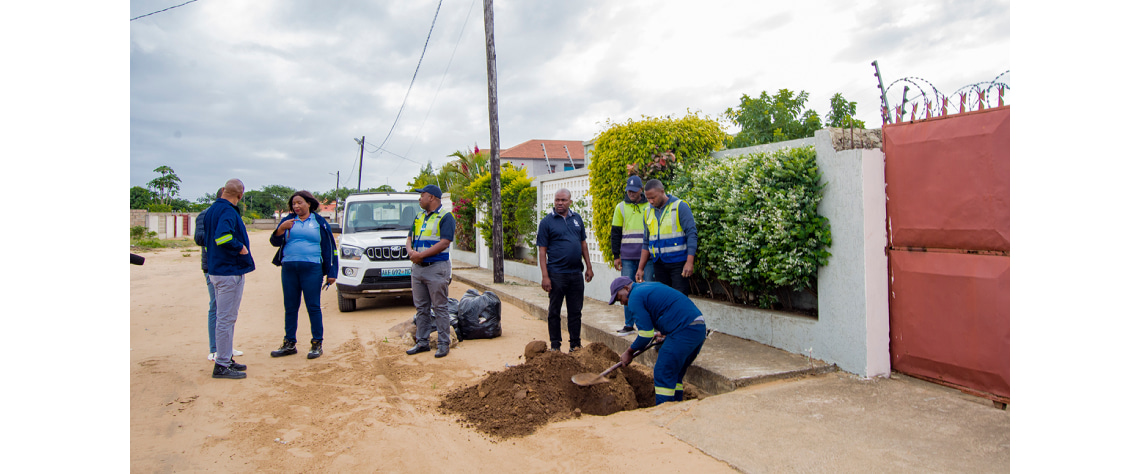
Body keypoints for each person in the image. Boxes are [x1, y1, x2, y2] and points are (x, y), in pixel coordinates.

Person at [608, 276, 706, 405]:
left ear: (626, 288)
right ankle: (677, 408)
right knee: (674, 374)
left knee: (662, 372)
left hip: (684, 330)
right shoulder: (648, 287)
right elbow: (669, 309)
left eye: (619, 298)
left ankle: (663, 412)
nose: (621, 303)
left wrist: (629, 352)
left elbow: (645, 335)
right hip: (697, 328)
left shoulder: (635, 297)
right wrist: (665, 332)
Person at [269, 190, 338, 360]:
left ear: (309, 203)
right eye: (293, 204)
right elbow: (274, 242)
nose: (296, 206)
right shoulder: (287, 221)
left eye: (299, 203)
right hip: (289, 268)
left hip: (312, 269)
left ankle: (316, 343)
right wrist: (280, 230)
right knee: (290, 306)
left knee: (313, 306)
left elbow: (329, 247)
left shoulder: (319, 222)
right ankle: (289, 343)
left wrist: (331, 271)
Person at [203, 179, 256, 379]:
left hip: (216, 270)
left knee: (224, 318)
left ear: (224, 190)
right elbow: (222, 236)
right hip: (228, 271)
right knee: (226, 319)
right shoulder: (227, 211)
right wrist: (240, 247)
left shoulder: (212, 210)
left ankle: (225, 357)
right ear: (240, 195)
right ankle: (222, 364)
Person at [537, 188, 594, 352]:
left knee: (575, 312)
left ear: (570, 201)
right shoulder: (546, 222)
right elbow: (542, 251)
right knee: (554, 311)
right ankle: (555, 346)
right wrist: (545, 276)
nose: (559, 203)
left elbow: (583, 244)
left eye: (563, 200)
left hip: (576, 274)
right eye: (557, 200)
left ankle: (575, 345)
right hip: (556, 275)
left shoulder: (577, 219)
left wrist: (589, 267)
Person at [404, 184, 457, 358]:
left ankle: (443, 343)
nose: (420, 198)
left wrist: (421, 256)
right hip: (418, 269)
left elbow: (444, 242)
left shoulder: (446, 217)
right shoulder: (419, 216)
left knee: (440, 307)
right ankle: (422, 342)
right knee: (421, 308)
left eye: (422, 195)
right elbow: (409, 237)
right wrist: (411, 252)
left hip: (436, 269)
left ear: (432, 197)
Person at [195, 188, 243, 362]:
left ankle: (226, 348)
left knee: (228, 311)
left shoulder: (230, 213)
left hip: (229, 267)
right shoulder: (206, 215)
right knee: (216, 307)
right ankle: (215, 349)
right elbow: (200, 238)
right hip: (213, 266)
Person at [636, 178, 698, 295]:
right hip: (659, 264)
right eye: (648, 198)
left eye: (653, 198)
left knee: (679, 300)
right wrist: (640, 268)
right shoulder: (647, 212)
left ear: (662, 191)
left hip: (678, 264)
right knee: (663, 300)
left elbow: (692, 234)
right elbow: (646, 241)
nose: (650, 201)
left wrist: (690, 262)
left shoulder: (680, 206)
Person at [610, 175, 653, 336]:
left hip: (647, 257)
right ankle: (629, 325)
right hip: (627, 257)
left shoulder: (650, 205)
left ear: (641, 190)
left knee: (646, 289)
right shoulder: (620, 207)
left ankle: (648, 324)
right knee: (625, 291)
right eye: (629, 190)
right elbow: (615, 233)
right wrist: (616, 255)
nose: (631, 193)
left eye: (634, 191)